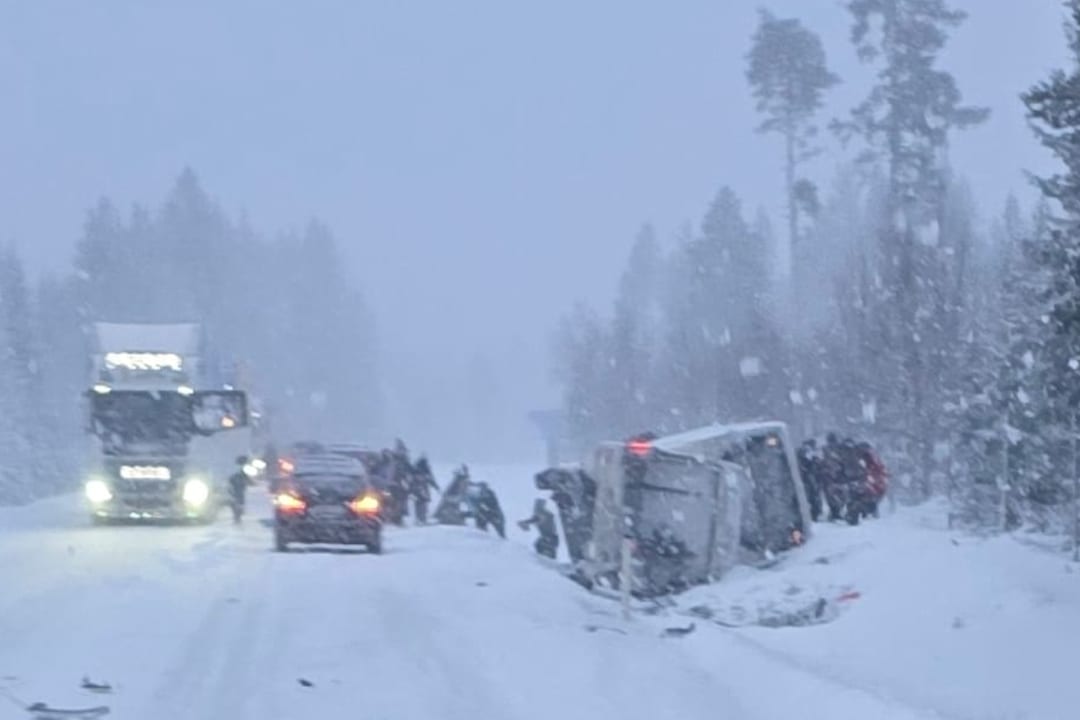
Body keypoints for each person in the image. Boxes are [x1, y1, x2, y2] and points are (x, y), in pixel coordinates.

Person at [796, 439, 823, 522]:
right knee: (813, 497)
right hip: (808, 479)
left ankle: (812, 514)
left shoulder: (803, 452)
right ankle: (814, 514)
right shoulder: (808, 451)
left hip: (808, 479)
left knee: (811, 497)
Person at [409, 455, 440, 524]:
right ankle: (421, 519)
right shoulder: (423, 469)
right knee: (422, 504)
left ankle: (420, 519)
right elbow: (431, 480)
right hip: (420, 489)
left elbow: (430, 480)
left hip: (418, 489)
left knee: (420, 504)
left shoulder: (416, 468)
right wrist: (436, 487)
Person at [228, 455, 251, 525]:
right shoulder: (238, 469)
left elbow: (245, 477)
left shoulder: (239, 468)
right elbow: (243, 477)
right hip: (237, 486)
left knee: (237, 501)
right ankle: (237, 516)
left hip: (237, 486)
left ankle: (237, 516)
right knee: (238, 500)